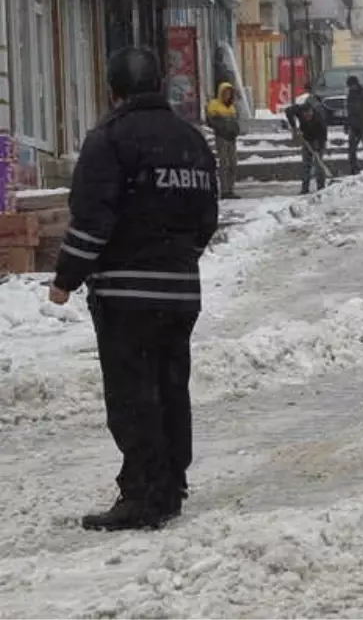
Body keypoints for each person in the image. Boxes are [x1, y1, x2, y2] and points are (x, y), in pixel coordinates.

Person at [49, 46, 218, 531]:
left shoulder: (110, 139)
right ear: (160, 85)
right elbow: (208, 215)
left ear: (114, 91)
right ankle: (171, 483)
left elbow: (92, 220)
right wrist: (180, 258)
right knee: (170, 386)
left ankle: (144, 493)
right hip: (182, 290)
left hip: (127, 294)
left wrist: (65, 278)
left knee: (132, 393)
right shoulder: (191, 140)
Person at [285, 96, 329, 194]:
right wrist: (294, 127)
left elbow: (322, 136)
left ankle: (321, 188)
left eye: (309, 115)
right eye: (305, 116)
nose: (307, 117)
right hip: (306, 139)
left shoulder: (319, 119)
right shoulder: (299, 110)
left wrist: (317, 149)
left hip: (319, 140)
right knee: (306, 165)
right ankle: (305, 189)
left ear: (312, 112)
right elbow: (288, 111)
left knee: (319, 165)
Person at [205, 82, 240, 199]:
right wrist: (222, 129)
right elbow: (211, 121)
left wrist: (235, 131)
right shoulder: (214, 105)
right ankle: (224, 190)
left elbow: (236, 122)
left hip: (231, 138)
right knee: (224, 163)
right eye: (225, 92)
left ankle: (231, 189)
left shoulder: (232, 107)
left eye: (230, 93)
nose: (228, 95)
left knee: (233, 164)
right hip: (221, 137)